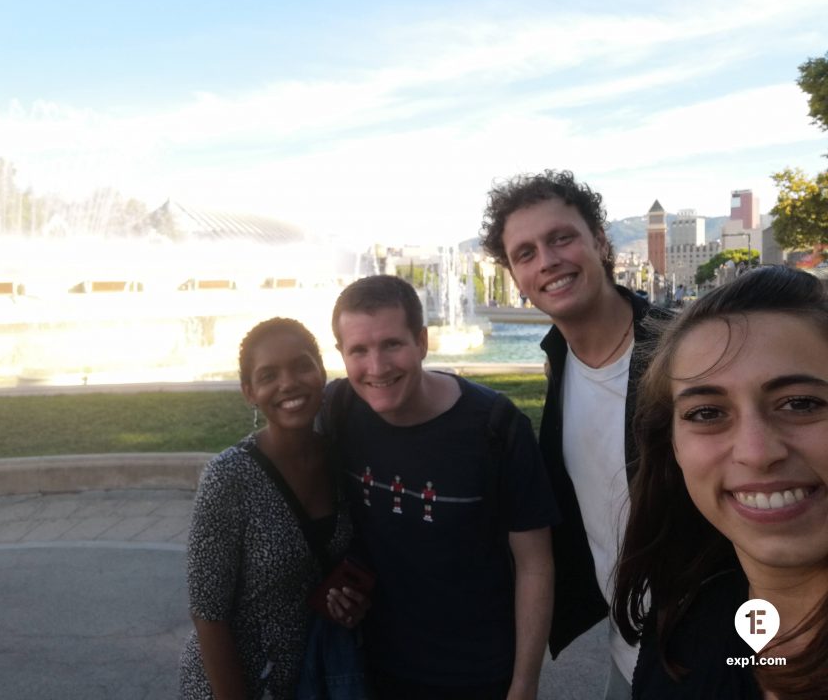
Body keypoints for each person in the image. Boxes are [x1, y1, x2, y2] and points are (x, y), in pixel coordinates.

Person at [480, 169, 669, 697]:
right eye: (526, 253)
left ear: (600, 241)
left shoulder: (681, 356)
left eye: (561, 238)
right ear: (516, 277)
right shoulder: (559, 360)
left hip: (710, 649)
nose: (548, 261)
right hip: (627, 646)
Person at [324, 274, 558, 699]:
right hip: (372, 668)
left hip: (478, 674)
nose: (376, 368)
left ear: (422, 342)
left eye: (392, 344)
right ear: (341, 354)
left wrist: (525, 683)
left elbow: (535, 565)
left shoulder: (496, 428)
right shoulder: (339, 410)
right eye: (359, 350)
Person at [612, 265, 828, 698]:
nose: (756, 452)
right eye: (707, 413)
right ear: (672, 447)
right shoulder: (682, 627)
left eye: (801, 403)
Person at [179, 318, 358, 699]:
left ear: (321, 372)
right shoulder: (228, 478)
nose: (289, 383)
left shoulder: (341, 462)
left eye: (301, 366)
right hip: (235, 685)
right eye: (268, 375)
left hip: (314, 679)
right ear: (249, 392)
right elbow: (207, 614)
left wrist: (347, 603)